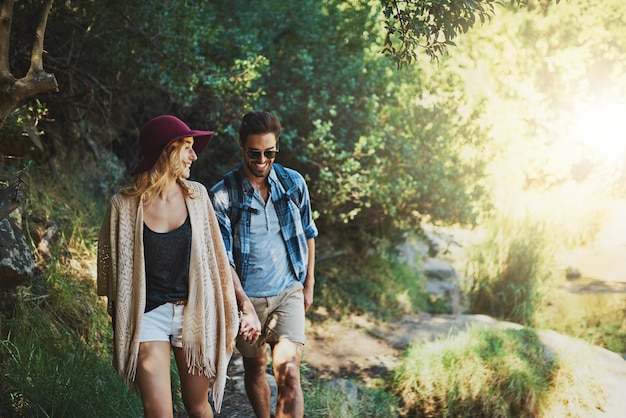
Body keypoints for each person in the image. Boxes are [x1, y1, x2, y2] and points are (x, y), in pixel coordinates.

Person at [97, 115, 238, 418]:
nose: (194, 155)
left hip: (193, 313)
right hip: (149, 316)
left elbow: (217, 260)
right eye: (186, 147)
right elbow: (111, 272)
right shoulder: (122, 206)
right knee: (159, 413)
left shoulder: (197, 196)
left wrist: (242, 305)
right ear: (166, 151)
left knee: (198, 407)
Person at [209, 110, 318, 418]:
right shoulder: (223, 195)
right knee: (255, 370)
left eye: (269, 153)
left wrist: (308, 285)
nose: (261, 160)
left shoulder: (293, 184)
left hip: (288, 293)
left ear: (276, 148)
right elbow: (223, 258)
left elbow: (309, 233)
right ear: (241, 146)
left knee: (289, 374)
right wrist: (243, 306)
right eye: (254, 153)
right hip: (248, 300)